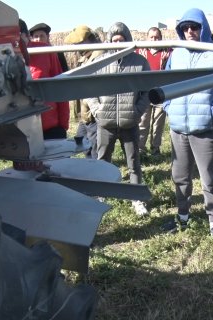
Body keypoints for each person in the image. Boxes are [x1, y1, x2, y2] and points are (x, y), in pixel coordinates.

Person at [161, 8, 213, 246]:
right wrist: (168, 106)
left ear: (203, 27)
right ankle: (183, 216)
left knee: (209, 178)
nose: (190, 32)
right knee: (180, 175)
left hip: (206, 128)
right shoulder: (177, 53)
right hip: (179, 127)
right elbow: (166, 81)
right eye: (185, 28)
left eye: (194, 27)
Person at [84, 22, 151, 216]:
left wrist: (137, 111)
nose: (118, 43)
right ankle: (101, 194)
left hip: (129, 123)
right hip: (106, 123)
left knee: (133, 162)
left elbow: (148, 90)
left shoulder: (140, 62)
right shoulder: (101, 62)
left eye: (121, 40)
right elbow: (88, 89)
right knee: (103, 160)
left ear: (128, 40)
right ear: (109, 41)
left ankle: (136, 198)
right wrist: (98, 110)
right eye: (114, 40)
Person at [19, 19, 69, 139]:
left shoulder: (46, 51)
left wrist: (63, 125)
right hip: (21, 129)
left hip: (49, 126)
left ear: (25, 36)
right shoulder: (5, 56)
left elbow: (60, 87)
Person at [64, 25, 105, 159]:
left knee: (93, 149)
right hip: (85, 113)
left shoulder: (98, 55)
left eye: (80, 43)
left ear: (89, 39)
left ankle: (97, 175)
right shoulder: (86, 57)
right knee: (81, 141)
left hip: (93, 113)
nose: (78, 46)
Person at [135, 27, 172, 157]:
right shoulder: (140, 52)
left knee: (158, 124)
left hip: (160, 94)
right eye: (151, 37)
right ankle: (140, 149)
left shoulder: (167, 52)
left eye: (157, 37)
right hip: (144, 94)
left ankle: (155, 149)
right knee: (143, 123)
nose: (154, 40)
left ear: (161, 38)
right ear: (147, 38)